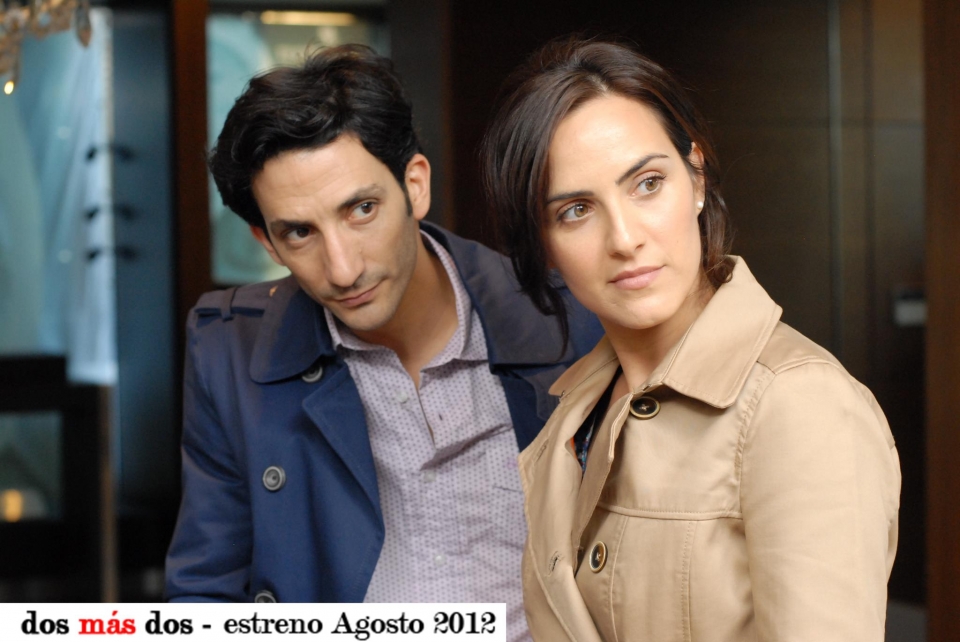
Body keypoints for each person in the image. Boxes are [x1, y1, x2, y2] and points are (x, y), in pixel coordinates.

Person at [164, 44, 602, 639]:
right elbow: (205, 594)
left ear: (415, 185)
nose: (343, 268)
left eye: (362, 209)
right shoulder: (230, 353)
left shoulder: (574, 323)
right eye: (299, 233)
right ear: (266, 242)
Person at [481, 38, 901, 641]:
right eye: (576, 210)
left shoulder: (799, 404)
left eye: (647, 183)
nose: (625, 238)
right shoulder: (577, 410)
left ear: (696, 178)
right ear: (543, 243)